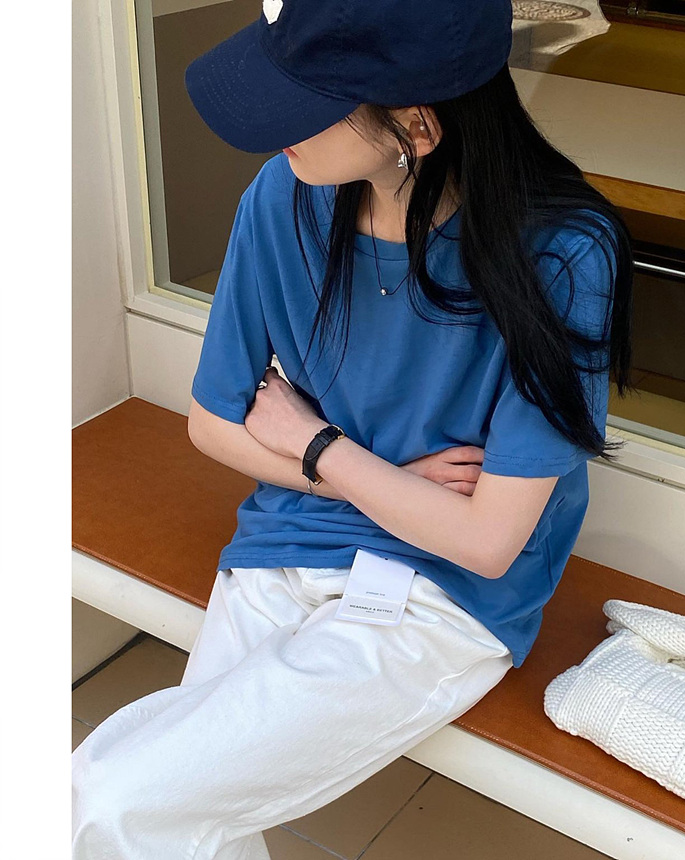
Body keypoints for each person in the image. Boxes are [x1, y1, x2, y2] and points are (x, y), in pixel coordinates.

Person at [71, 1, 635, 857]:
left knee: (112, 797)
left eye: (307, 103)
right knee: (169, 814)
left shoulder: (562, 252)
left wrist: (314, 444)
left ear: (417, 125)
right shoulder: (282, 196)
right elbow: (214, 425)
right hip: (288, 540)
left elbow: (486, 544)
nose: (277, 130)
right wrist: (368, 479)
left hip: (445, 595)